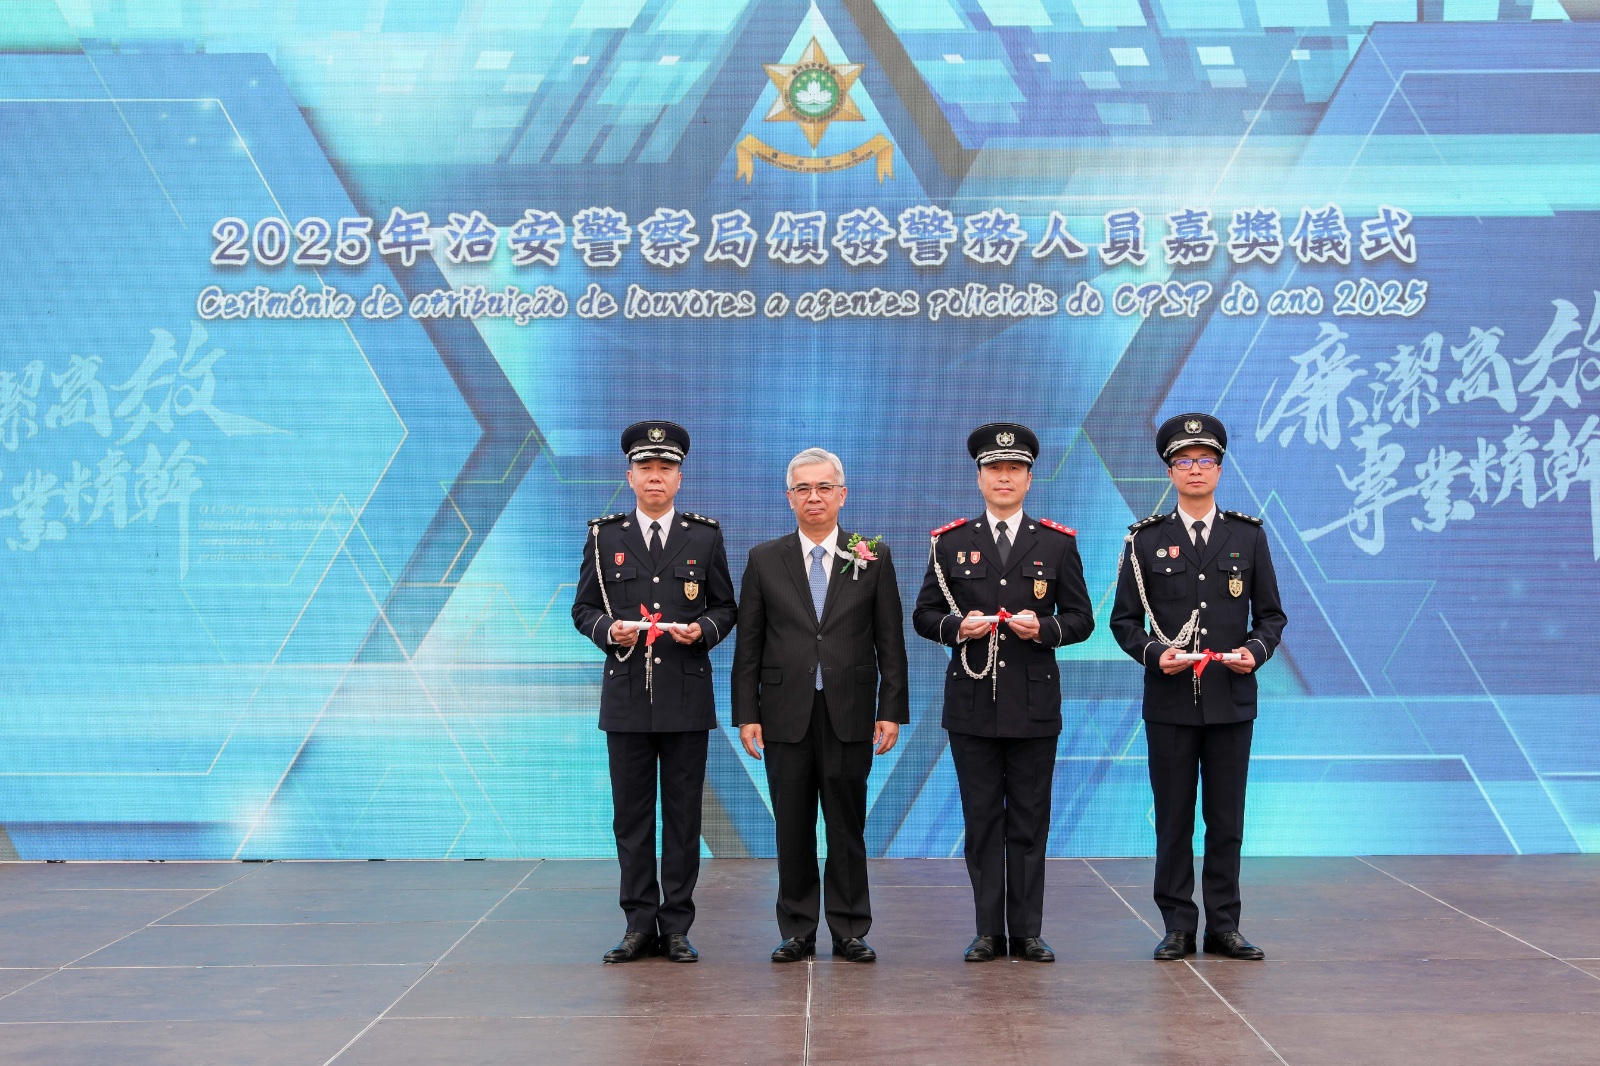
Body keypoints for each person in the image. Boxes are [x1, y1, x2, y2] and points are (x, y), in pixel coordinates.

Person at [912, 424, 1094, 963]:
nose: (1004, 477)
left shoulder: (1057, 543)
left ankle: (1028, 931)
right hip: (971, 703)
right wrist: (956, 627)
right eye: (995, 469)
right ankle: (989, 930)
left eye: (1015, 469)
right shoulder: (950, 542)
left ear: (1030, 479)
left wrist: (1045, 629)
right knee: (982, 821)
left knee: (1030, 821)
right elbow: (924, 614)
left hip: (1034, 705)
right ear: (980, 478)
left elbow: (1081, 619)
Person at [1109, 412, 1287, 962]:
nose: (1194, 470)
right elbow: (1124, 621)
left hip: (1231, 700)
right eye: (1183, 461)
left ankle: (1225, 926)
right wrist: (1155, 654)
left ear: (1220, 468)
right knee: (1174, 821)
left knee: (1226, 822)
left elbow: (1271, 617)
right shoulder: (1145, 540)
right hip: (1170, 703)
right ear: (1169, 471)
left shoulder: (1247, 536)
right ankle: (1178, 925)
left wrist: (1254, 653)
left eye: (1205, 460)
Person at [731, 447, 910, 963]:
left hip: (849, 710)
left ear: (842, 494)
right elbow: (749, 645)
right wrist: (747, 713)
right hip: (783, 713)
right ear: (789, 498)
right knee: (792, 825)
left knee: (846, 824)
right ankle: (798, 929)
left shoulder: (872, 554)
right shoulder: (764, 558)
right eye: (803, 488)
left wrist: (891, 709)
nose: (814, 496)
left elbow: (890, 641)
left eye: (824, 487)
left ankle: (850, 928)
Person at [571, 421, 737, 964]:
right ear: (630, 477)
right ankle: (638, 924)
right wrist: (608, 630)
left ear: (679, 478)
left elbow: (724, 607)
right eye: (646, 468)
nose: (656, 477)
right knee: (632, 818)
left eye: (666, 468)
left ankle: (678, 925)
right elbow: (583, 608)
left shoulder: (703, 536)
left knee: (684, 819)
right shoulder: (605, 536)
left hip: (686, 696)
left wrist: (702, 631)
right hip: (626, 697)